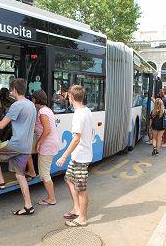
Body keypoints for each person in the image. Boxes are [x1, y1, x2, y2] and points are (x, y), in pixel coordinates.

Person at [0, 78, 37, 216]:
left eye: (11, 90)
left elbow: (1, 125)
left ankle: (1, 181)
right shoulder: (31, 104)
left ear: (14, 90)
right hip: (26, 145)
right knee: (20, 175)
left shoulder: (17, 105)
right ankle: (28, 206)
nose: (10, 92)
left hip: (16, 144)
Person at [56, 85, 93, 227]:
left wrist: (63, 156)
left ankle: (82, 218)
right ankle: (77, 208)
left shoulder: (79, 114)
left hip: (81, 156)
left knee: (81, 188)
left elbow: (76, 138)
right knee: (69, 178)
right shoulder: (87, 110)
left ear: (71, 98)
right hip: (79, 155)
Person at [31, 90, 60, 206]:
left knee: (44, 174)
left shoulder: (42, 111)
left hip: (47, 145)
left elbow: (47, 130)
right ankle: (51, 197)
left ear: (35, 99)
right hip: (50, 143)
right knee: (44, 172)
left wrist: (39, 142)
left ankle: (51, 198)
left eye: (32, 99)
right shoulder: (47, 110)